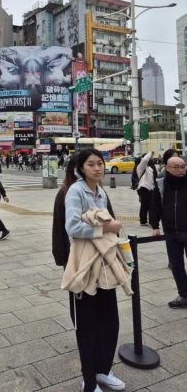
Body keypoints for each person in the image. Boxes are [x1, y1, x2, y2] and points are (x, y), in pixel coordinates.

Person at [64, 148, 125, 392]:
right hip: (85, 266)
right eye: (91, 164)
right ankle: (89, 380)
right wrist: (105, 229)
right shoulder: (75, 191)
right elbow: (72, 227)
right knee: (87, 325)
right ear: (80, 168)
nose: (97, 168)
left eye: (100, 163)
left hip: (105, 265)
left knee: (110, 321)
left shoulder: (101, 191)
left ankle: (103, 369)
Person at [151, 155, 187, 308]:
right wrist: (154, 226)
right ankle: (184, 295)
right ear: (167, 168)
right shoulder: (161, 184)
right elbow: (155, 205)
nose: (181, 170)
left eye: (183, 166)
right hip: (171, 232)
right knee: (176, 265)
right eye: (176, 167)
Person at [134, 151, 157, 225]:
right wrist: (150, 153)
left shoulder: (150, 167)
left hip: (150, 188)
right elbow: (144, 160)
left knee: (145, 205)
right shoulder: (141, 167)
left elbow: (153, 178)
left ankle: (143, 221)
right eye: (151, 158)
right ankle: (151, 222)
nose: (151, 159)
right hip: (143, 188)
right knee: (150, 205)